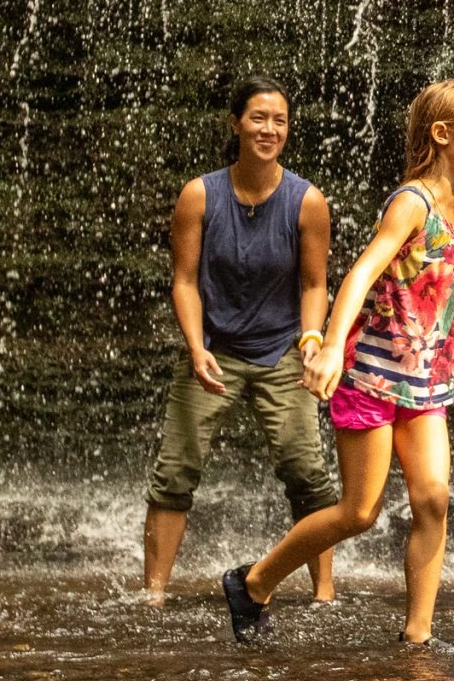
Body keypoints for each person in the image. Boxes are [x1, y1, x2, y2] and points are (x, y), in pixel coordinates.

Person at [220, 80, 454, 645]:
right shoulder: (412, 203)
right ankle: (253, 582)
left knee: (433, 498)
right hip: (371, 377)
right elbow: (360, 272)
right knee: (359, 512)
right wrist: (330, 346)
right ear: (442, 134)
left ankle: (418, 635)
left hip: (426, 382)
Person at [142, 77, 342, 603]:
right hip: (214, 349)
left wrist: (312, 342)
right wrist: (195, 347)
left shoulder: (307, 201)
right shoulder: (200, 194)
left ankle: (325, 592)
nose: (269, 129)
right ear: (236, 124)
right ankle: (153, 593)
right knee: (176, 468)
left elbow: (315, 284)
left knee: (306, 470)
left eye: (279, 120)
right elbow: (184, 280)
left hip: (282, 351)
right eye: (258, 118)